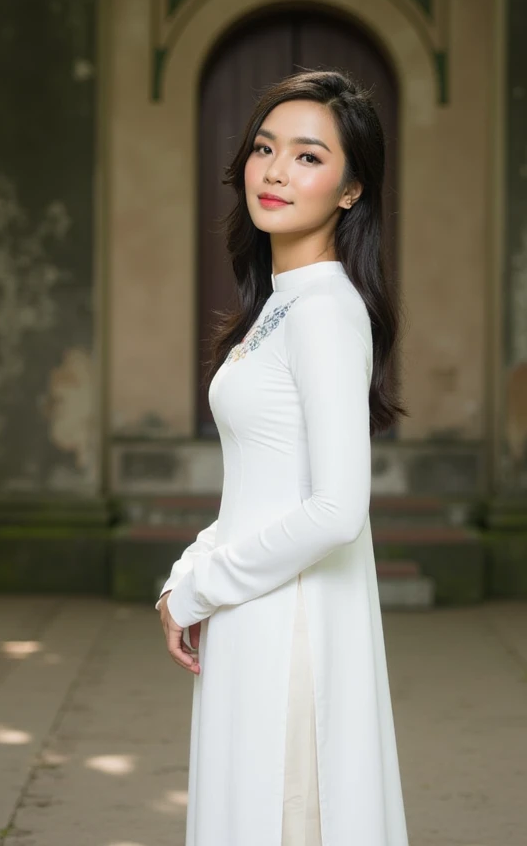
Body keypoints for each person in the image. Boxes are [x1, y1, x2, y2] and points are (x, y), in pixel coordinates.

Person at [156, 70, 410, 846]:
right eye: (266, 148)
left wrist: (201, 586)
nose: (274, 171)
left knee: (286, 817)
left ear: (350, 190)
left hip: (290, 624)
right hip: (255, 608)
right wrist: (188, 574)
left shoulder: (327, 310)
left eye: (307, 156)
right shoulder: (279, 305)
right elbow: (261, 486)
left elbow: (334, 509)